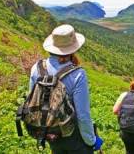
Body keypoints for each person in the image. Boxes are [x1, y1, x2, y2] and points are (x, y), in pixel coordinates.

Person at [29, 24, 103, 154]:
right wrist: (91, 140)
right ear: (72, 49)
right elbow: (83, 115)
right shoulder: (78, 74)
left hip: (50, 132)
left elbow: (33, 101)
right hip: (73, 136)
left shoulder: (37, 68)